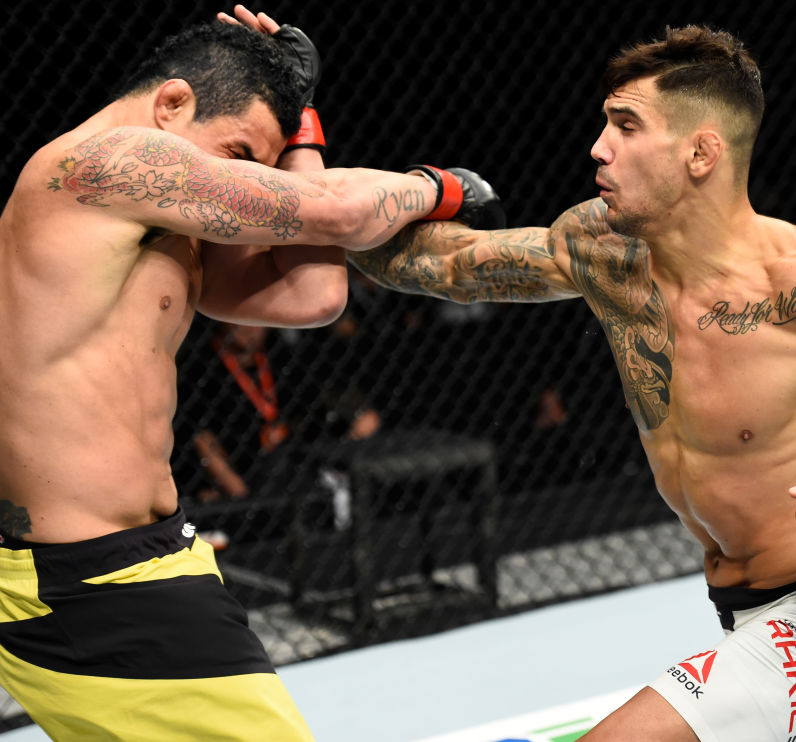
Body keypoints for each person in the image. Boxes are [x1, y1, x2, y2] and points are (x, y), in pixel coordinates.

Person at [349, 25, 796, 741]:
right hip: (753, 614)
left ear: (700, 152)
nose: (598, 148)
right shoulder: (607, 257)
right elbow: (447, 265)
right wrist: (302, 189)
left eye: (625, 126)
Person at [0, 4, 501, 739]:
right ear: (172, 103)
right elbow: (330, 213)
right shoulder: (101, 165)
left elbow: (314, 292)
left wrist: (297, 123)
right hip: (91, 579)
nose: (244, 183)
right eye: (238, 153)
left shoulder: (160, 231)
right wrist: (442, 186)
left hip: (136, 559)